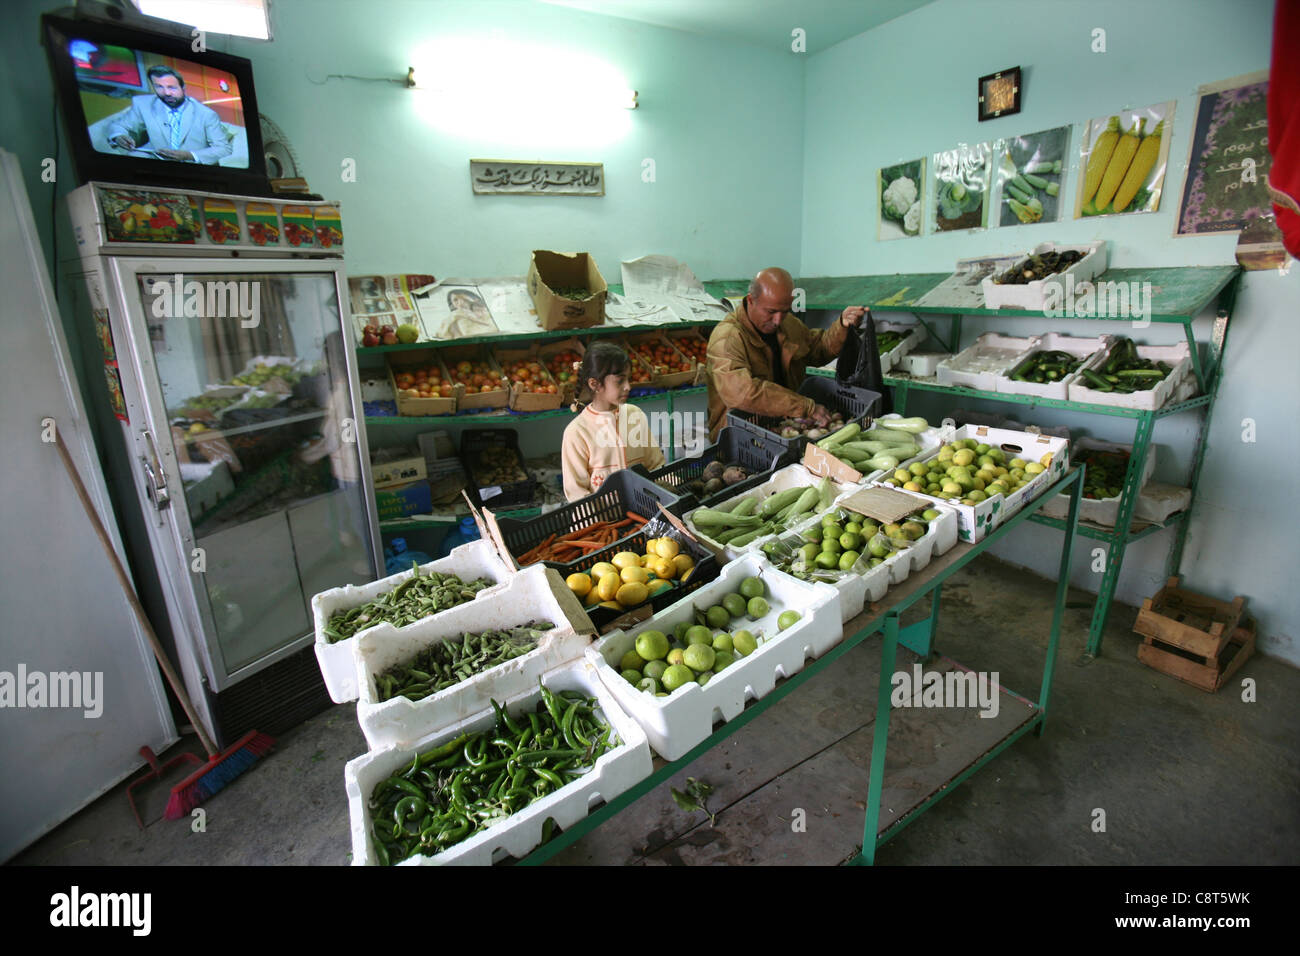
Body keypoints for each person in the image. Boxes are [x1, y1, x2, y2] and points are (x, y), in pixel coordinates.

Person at [704, 267, 869, 440]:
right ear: (751, 300)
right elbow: (741, 393)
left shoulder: (788, 324)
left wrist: (842, 326)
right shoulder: (728, 338)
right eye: (771, 312)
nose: (778, 320)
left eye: (785, 311)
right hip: (740, 436)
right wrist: (806, 407)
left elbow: (817, 348)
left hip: (783, 427)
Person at [561, 341, 665, 501]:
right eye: (620, 381)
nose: (628, 387)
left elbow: (656, 466)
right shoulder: (577, 432)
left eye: (628, 379)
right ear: (595, 384)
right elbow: (577, 494)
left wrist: (671, 490)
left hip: (644, 512)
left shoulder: (635, 415)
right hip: (602, 521)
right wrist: (601, 525)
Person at [105, 65, 233, 165]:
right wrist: (119, 136)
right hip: (158, 162)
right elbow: (119, 125)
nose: (166, 93)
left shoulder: (206, 115)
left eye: (172, 87)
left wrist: (188, 155)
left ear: (183, 88)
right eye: (159, 87)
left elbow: (223, 148)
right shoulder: (143, 104)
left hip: (192, 167)